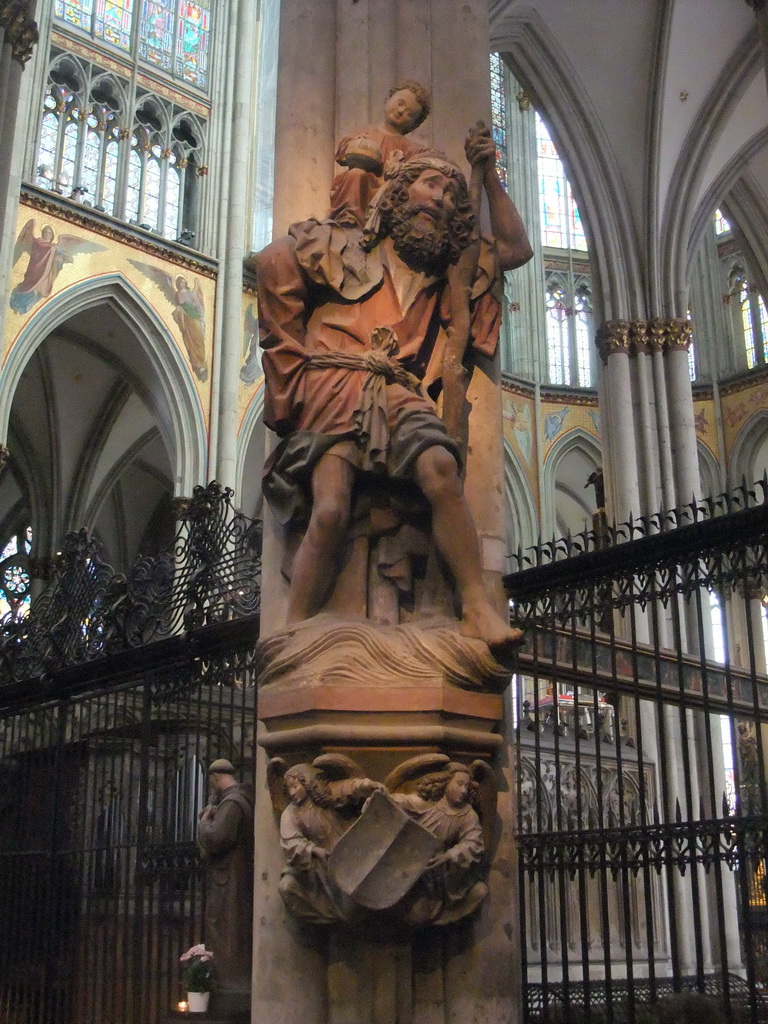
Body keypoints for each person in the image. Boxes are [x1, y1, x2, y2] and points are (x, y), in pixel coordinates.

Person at [255, 123, 533, 660]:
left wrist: (490, 176)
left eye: (452, 195)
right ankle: (293, 632)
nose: (441, 197)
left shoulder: (449, 273)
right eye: (430, 185)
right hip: (333, 380)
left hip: (396, 389)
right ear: (399, 193)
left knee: (440, 468)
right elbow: (273, 265)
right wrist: (288, 361)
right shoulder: (348, 244)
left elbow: (516, 247)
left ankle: (476, 606)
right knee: (331, 509)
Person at [277, 763, 385, 924]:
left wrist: (366, 785)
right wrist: (313, 850)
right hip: (320, 867)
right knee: (287, 887)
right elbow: (291, 842)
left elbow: (348, 787)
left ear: (306, 782)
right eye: (289, 788)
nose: (292, 792)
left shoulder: (325, 794)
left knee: (354, 908)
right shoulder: (290, 814)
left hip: (349, 856)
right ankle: (328, 914)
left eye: (295, 786)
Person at [390, 762, 487, 925]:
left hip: (442, 873)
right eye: (459, 784)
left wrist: (449, 855)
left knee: (479, 891)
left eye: (467, 787)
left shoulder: (467, 814)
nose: (464, 791)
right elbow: (396, 801)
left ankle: (445, 915)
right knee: (416, 915)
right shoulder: (426, 804)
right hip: (411, 867)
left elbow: (474, 842)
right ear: (446, 783)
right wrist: (377, 799)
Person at [330, 80, 431, 226]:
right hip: (359, 188)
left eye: (409, 114)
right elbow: (341, 154)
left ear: (414, 125)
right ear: (388, 99)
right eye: (400, 103)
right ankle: (349, 215)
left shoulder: (410, 148)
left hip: (385, 195)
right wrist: (355, 145)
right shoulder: (367, 133)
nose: (401, 111)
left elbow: (425, 162)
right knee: (356, 174)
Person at [197, 759, 254, 990]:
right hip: (232, 874)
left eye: (211, 782)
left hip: (229, 877)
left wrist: (203, 824)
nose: (212, 787)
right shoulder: (235, 801)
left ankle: (228, 982)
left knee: (223, 926)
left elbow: (217, 838)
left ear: (216, 777)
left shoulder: (233, 802)